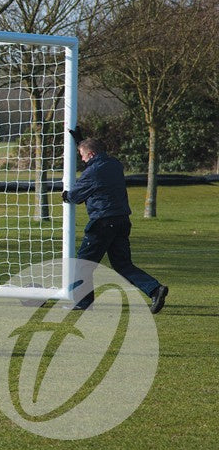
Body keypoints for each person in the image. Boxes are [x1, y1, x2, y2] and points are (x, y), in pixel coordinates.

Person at [62, 131, 168, 313]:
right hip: (122, 221)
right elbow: (95, 158)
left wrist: (66, 195)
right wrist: (82, 143)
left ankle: (83, 301)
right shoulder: (114, 164)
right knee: (122, 264)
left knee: (83, 264)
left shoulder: (92, 172)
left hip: (102, 222)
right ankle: (154, 289)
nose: (82, 160)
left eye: (82, 156)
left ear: (91, 155)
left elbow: (75, 196)